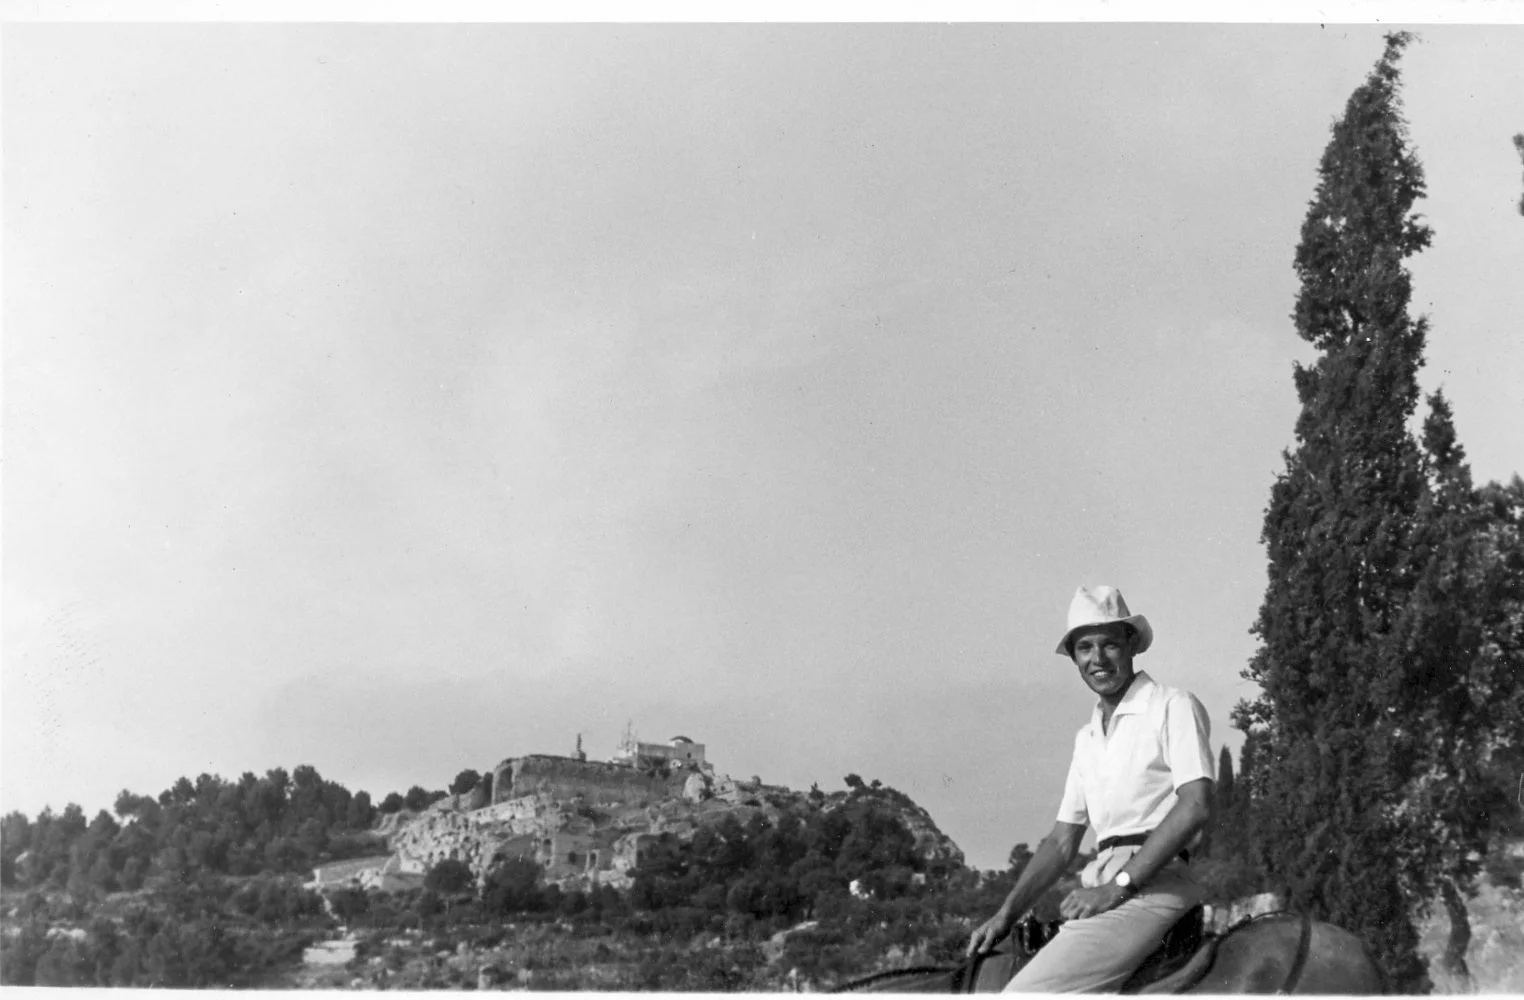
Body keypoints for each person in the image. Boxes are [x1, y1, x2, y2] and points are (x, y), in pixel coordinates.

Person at [967, 585, 1216, 993]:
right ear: (1074, 657)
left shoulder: (1171, 706)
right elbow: (1062, 841)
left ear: (1131, 644)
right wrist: (1006, 915)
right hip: (1106, 886)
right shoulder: (1087, 738)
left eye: (1109, 644)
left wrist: (1117, 887)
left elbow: (1196, 805)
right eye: (1084, 648)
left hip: (1154, 886)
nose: (1097, 659)